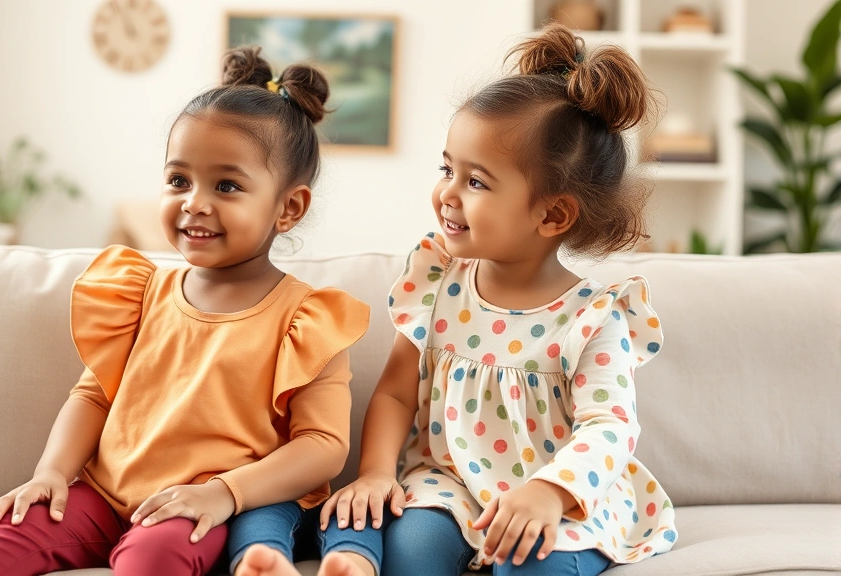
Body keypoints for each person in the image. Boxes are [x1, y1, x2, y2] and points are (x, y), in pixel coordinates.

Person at [245, 23, 674, 576]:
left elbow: (610, 427)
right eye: (448, 168)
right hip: (449, 486)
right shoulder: (438, 283)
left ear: (552, 215)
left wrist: (547, 493)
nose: (447, 192)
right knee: (409, 553)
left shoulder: (595, 318)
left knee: (532, 566)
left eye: (477, 182)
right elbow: (397, 397)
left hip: (560, 499)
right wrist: (375, 472)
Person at [0, 45, 369, 576]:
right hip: (94, 497)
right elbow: (92, 395)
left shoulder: (308, 320)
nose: (194, 202)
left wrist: (225, 495)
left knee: (154, 561)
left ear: (288, 208)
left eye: (227, 186)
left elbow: (322, 447)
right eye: (179, 180)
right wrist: (51, 473)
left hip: (191, 508)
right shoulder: (140, 292)